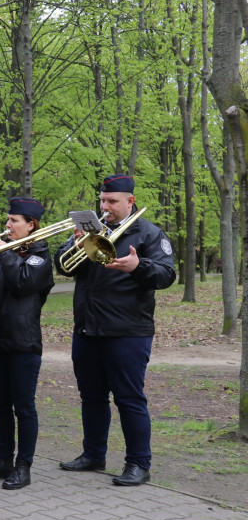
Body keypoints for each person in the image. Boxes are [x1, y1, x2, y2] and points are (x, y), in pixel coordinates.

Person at [55, 173, 175, 486]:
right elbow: (64, 266)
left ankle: (138, 463)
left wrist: (139, 267)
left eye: (112, 201)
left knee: (129, 399)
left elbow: (167, 274)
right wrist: (75, 241)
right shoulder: (94, 230)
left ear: (130, 201)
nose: (105, 207)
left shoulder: (149, 234)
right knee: (91, 397)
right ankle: (93, 454)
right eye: (102, 201)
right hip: (87, 330)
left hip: (128, 331)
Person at [0, 197, 54, 490]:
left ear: (31, 225)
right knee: (0, 406)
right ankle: (3, 459)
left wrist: (2, 252)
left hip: (23, 343)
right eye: (7, 220)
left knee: (24, 407)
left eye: (13, 221)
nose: (7, 226)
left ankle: (23, 465)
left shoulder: (40, 257)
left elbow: (21, 283)